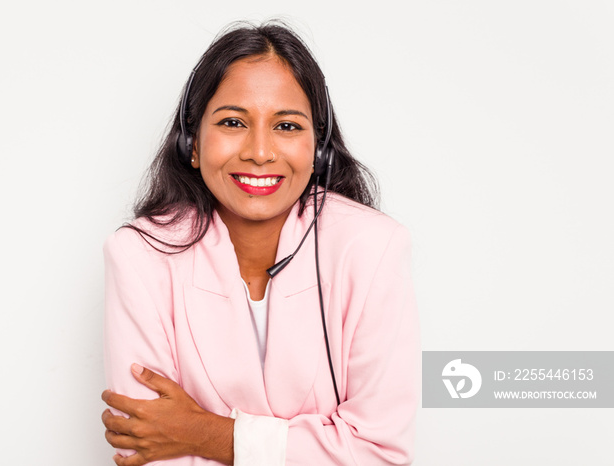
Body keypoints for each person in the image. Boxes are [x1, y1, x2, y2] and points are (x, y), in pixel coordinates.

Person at [101, 21, 420, 466]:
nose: (260, 152)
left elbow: (379, 453)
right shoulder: (139, 256)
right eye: (233, 122)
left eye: (286, 126)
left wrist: (204, 434)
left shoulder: (372, 249)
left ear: (319, 149)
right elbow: (145, 447)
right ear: (192, 144)